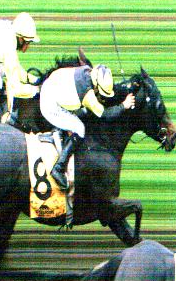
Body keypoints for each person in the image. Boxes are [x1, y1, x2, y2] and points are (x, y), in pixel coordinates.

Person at [35, 61, 122, 190]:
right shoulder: (88, 96)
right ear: (96, 84)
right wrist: (123, 106)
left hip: (50, 88)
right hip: (49, 106)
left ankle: (59, 133)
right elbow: (104, 114)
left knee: (82, 111)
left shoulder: (87, 70)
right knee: (80, 128)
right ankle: (58, 168)